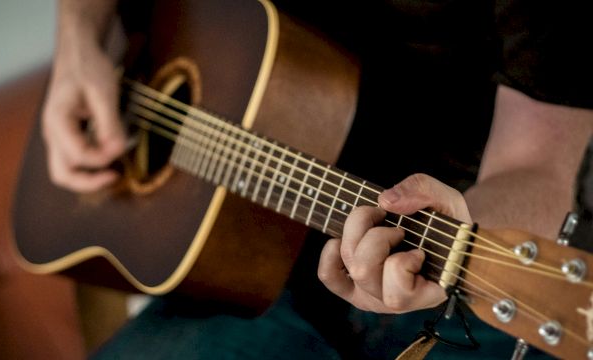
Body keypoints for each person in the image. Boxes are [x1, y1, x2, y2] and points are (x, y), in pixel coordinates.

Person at [42, 0, 593, 358]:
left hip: (447, 281)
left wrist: (459, 237)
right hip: (242, 275)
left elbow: (542, 161)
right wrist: (77, 38)